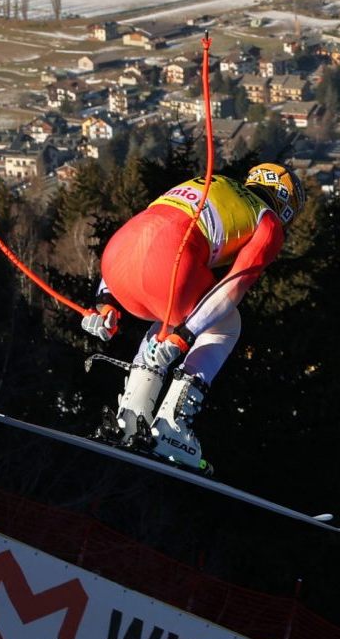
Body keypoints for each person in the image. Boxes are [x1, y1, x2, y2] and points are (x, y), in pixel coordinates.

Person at [80, 162, 305, 473]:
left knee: (171, 316)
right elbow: (232, 287)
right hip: (165, 268)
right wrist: (185, 336)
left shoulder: (212, 183)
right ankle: (171, 428)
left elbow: (145, 228)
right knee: (226, 324)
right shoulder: (267, 223)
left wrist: (105, 301)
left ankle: (130, 418)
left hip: (117, 261)